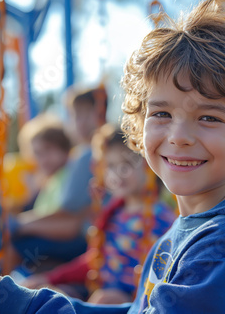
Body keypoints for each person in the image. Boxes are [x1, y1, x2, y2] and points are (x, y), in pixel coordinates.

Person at [0, 0, 225, 313]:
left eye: (209, 118)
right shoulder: (191, 230)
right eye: (162, 114)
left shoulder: (223, 249)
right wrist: (21, 302)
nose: (178, 137)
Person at [19, 124, 175, 304]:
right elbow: (96, 260)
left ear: (149, 163)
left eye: (126, 164)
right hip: (99, 294)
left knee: (102, 299)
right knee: (46, 295)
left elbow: (166, 278)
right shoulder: (113, 213)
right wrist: (50, 279)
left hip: (134, 303)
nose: (117, 174)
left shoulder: (161, 219)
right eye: (110, 166)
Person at [2, 88, 109, 275]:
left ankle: (1, 289)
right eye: (75, 116)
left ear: (100, 113)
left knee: (15, 244)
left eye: (86, 114)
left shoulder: (88, 155)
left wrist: (20, 224)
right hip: (84, 233)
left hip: (85, 237)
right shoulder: (77, 159)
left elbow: (68, 216)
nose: (79, 123)